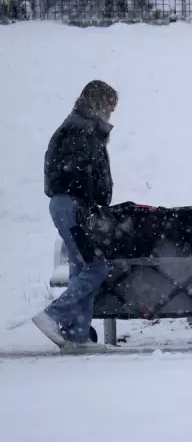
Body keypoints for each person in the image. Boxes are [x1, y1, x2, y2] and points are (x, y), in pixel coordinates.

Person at [31, 80, 118, 353]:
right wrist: (90, 203)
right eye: (110, 107)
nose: (111, 113)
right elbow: (76, 172)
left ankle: (77, 336)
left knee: (82, 268)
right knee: (96, 267)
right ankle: (52, 315)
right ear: (98, 102)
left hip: (72, 205)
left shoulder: (81, 127)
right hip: (72, 207)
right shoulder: (78, 130)